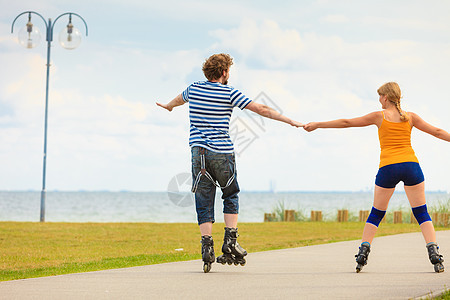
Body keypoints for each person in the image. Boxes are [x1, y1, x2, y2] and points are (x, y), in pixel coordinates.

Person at [156, 53, 303, 273]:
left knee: (203, 199)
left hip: (199, 154)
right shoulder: (229, 92)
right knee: (230, 194)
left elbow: (179, 99)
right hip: (223, 154)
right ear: (224, 72)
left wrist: (169, 106)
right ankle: (230, 242)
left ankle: (207, 248)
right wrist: (290, 120)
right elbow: (260, 109)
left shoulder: (194, 88)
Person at [303, 82, 449, 273]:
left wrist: (317, 125)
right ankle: (435, 255)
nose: (379, 99)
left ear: (386, 97)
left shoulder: (378, 116)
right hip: (411, 166)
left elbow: (347, 123)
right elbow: (437, 132)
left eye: (380, 96)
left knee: (376, 213)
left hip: (388, 167)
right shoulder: (411, 117)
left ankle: (362, 254)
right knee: (421, 212)